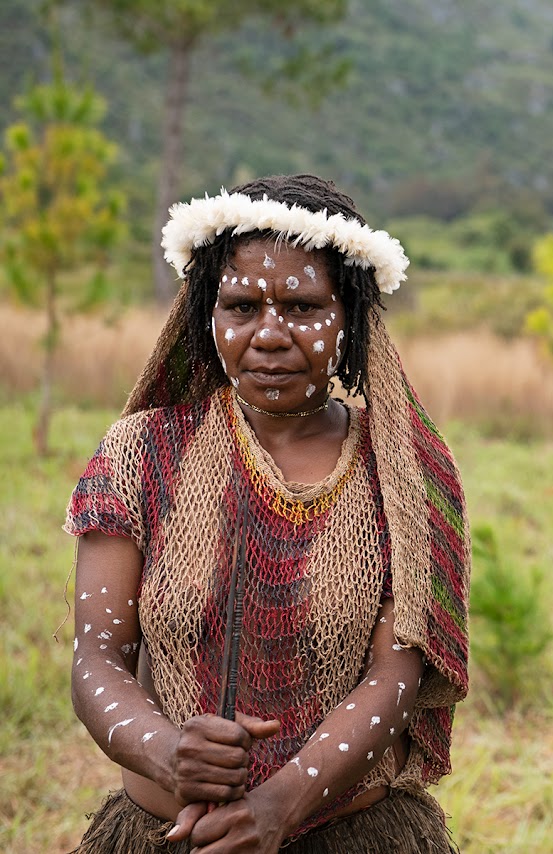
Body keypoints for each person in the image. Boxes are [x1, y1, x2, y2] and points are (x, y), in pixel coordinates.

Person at [65, 174, 470, 853]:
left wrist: (279, 805)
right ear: (206, 316)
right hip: (163, 833)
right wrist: (167, 752)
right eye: (241, 306)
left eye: (303, 306)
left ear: (352, 317)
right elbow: (97, 656)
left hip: (353, 834)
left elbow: (397, 672)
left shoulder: (403, 469)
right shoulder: (140, 452)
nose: (269, 336)